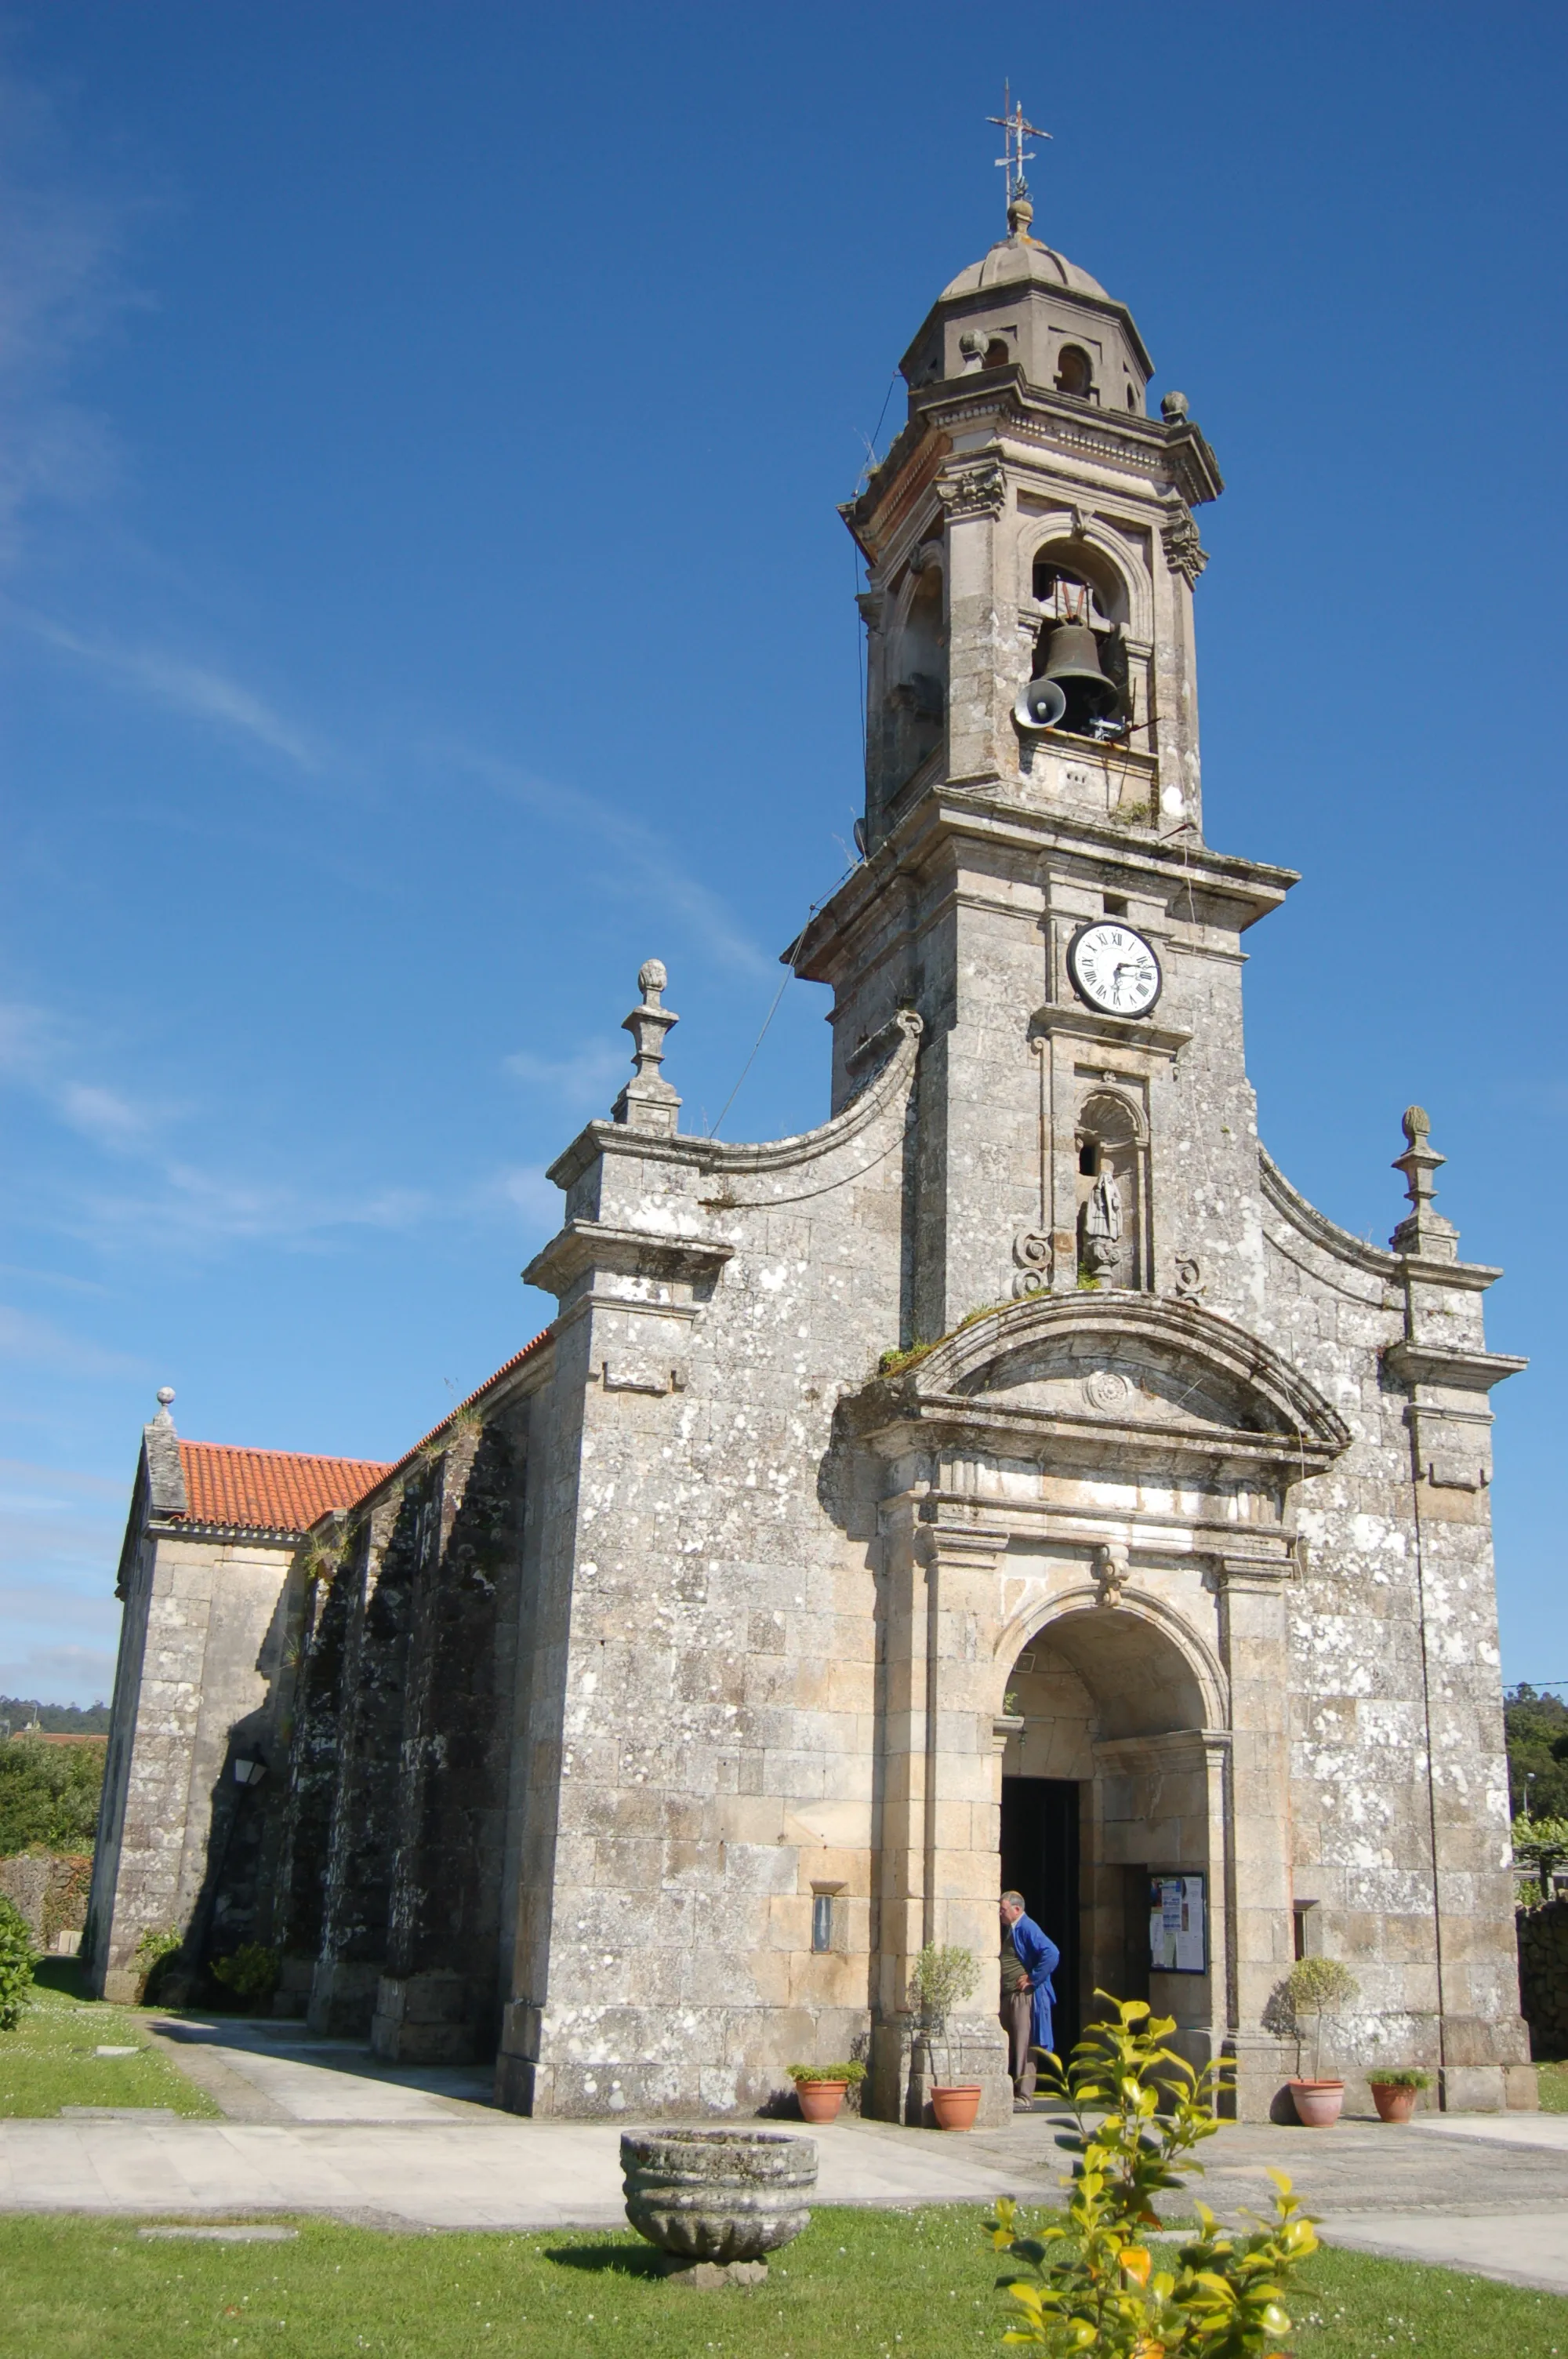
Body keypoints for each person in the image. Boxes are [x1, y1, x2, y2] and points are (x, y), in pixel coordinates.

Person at [1000, 1889, 1060, 2108]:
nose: (1000, 1913)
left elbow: (1052, 1953)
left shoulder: (1027, 1926)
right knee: (1013, 2043)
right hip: (1010, 1996)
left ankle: (1024, 2096)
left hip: (1023, 1997)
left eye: (1003, 1909)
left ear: (1017, 1910)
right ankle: (1012, 2091)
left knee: (1024, 2046)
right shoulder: (1012, 1928)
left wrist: (1033, 1978)